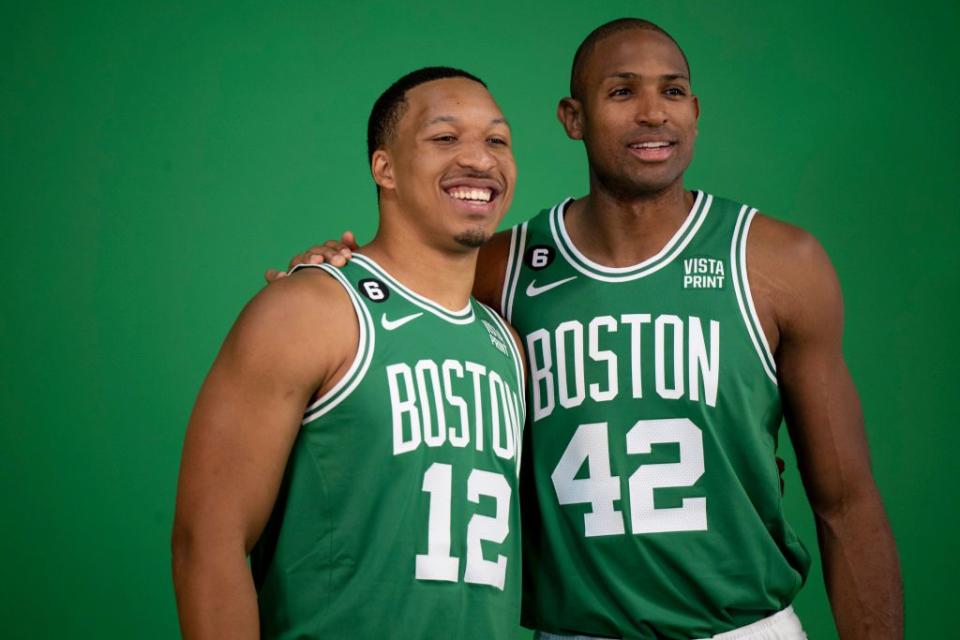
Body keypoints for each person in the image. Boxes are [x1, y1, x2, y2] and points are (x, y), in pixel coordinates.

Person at [276, 19, 903, 640]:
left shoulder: (776, 264)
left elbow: (845, 502)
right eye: (623, 91)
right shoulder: (502, 268)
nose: (654, 113)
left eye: (674, 91)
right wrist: (332, 270)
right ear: (573, 118)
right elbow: (397, 301)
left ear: (696, 110)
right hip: (576, 631)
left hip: (743, 628)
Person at [172, 67, 527, 640]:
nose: (480, 160)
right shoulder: (310, 310)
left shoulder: (505, 344)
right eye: (444, 138)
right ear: (384, 167)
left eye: (496, 140)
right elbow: (206, 543)